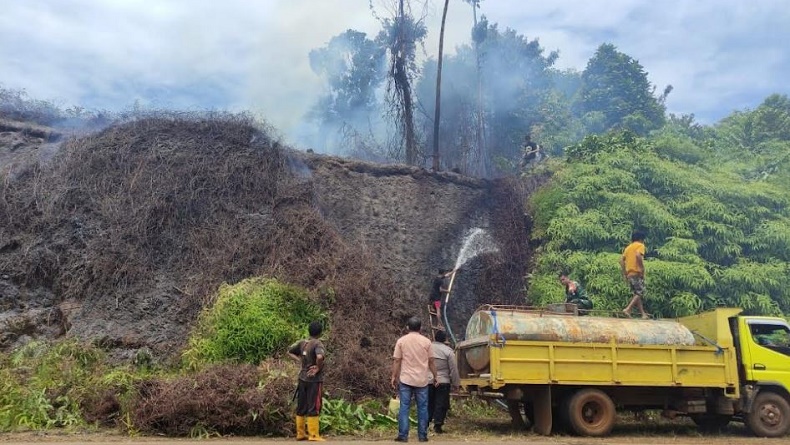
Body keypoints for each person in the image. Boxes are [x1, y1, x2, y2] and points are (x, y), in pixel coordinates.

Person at [391, 316, 437, 442]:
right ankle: (422, 436)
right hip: (422, 381)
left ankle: (403, 435)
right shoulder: (427, 342)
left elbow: (397, 360)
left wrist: (394, 376)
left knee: (404, 407)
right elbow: (431, 361)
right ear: (420, 328)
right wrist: (435, 376)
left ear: (407, 328)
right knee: (422, 408)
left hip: (406, 379)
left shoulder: (401, 341)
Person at [288, 321, 327, 441]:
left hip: (302, 378)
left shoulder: (303, 343)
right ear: (320, 332)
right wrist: (317, 367)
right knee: (314, 406)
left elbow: (289, 351)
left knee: (301, 406)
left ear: (309, 331)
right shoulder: (318, 344)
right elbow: (320, 357)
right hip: (314, 380)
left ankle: (300, 434)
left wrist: (300, 361)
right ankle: (314, 435)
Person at [428, 330, 460, 434]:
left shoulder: (427, 348)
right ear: (445, 339)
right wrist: (456, 384)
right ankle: (438, 426)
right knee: (441, 404)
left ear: (435, 338)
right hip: (443, 381)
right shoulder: (448, 351)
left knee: (429, 403)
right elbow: (454, 369)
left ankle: (426, 424)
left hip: (428, 380)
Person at [620, 230, 649, 319]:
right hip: (636, 272)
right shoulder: (640, 245)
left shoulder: (628, 248)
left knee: (637, 293)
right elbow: (638, 255)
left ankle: (643, 314)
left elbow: (621, 260)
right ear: (641, 239)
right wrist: (641, 269)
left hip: (630, 274)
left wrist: (625, 273)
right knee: (640, 292)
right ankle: (628, 309)